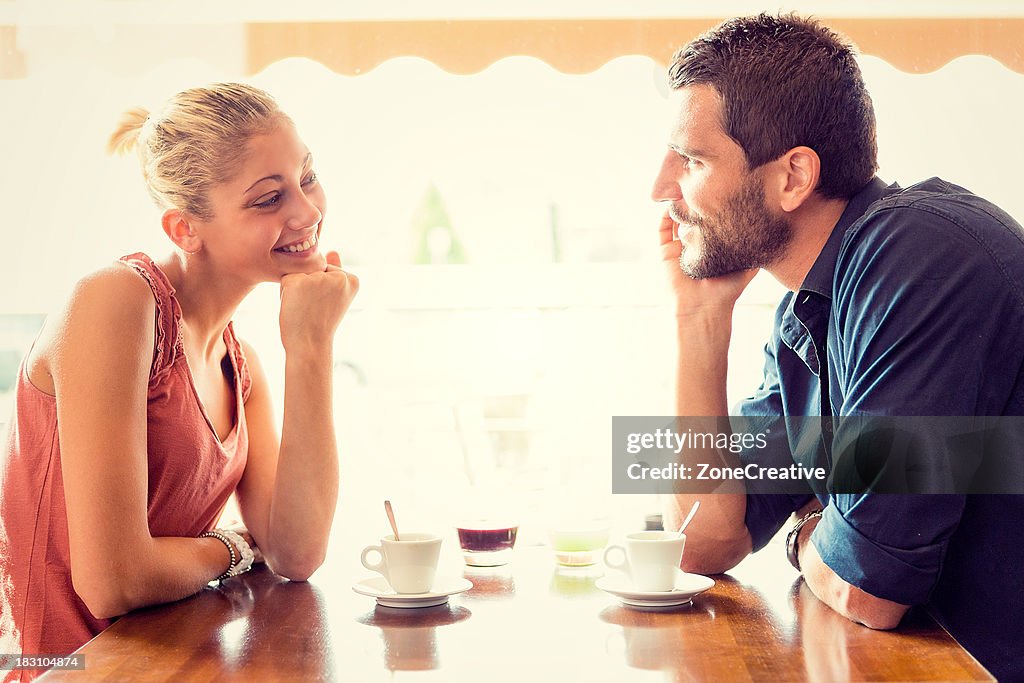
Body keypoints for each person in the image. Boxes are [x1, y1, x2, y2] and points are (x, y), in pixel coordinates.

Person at [653, 13, 1024, 681]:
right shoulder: (811, 308)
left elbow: (869, 589)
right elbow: (703, 540)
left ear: (793, 175)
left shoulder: (918, 256)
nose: (662, 189)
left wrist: (802, 534)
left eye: (694, 158)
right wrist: (699, 322)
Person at [0, 82, 358, 680]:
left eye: (307, 176)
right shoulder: (115, 300)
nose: (307, 211)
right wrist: (236, 549)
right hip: (56, 668)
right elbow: (113, 582)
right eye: (268, 199)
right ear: (184, 229)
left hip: (164, 663)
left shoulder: (239, 362)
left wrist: (312, 347)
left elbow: (296, 553)